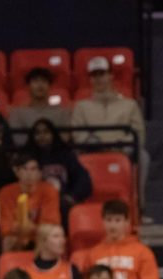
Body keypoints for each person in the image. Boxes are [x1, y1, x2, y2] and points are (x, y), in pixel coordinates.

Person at [71, 56, 148, 213]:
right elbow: (78, 133)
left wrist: (121, 145)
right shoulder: (81, 106)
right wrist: (96, 144)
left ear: (111, 75)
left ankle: (138, 205)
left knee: (144, 156)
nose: (99, 79)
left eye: (102, 74)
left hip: (122, 151)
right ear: (90, 79)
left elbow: (138, 132)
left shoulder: (129, 104)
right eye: (94, 75)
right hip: (92, 151)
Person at [28, 118, 93, 221]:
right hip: (36, 200)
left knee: (63, 206)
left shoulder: (66, 156)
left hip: (62, 200)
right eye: (37, 133)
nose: (42, 136)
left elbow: (83, 179)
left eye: (46, 132)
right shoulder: (28, 157)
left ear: (53, 134)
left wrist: (72, 196)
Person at [14, 224, 84, 279]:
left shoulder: (71, 269)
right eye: (56, 236)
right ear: (43, 241)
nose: (62, 240)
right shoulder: (25, 272)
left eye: (63, 236)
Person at [0, 152, 61, 251]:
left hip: (39, 235)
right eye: (24, 169)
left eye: (33, 169)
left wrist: (32, 228)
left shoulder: (49, 191)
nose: (29, 174)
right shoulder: (6, 192)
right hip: (17, 235)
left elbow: (51, 224)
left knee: (51, 238)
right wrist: (20, 229)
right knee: (8, 241)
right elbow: (6, 226)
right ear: (17, 172)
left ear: (40, 173)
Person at [8, 68, 72, 138]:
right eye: (35, 81)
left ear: (49, 86)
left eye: (44, 81)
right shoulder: (17, 114)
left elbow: (64, 138)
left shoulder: (62, 113)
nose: (40, 85)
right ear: (28, 87)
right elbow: (18, 140)